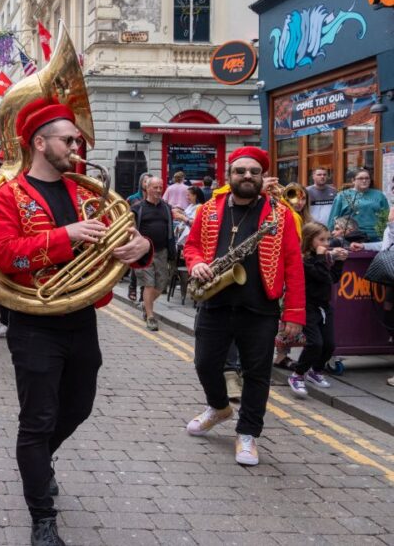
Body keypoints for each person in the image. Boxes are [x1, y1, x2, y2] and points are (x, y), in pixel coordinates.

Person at [0, 98, 152, 546]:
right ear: (41, 143)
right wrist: (65, 237)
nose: (77, 145)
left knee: (77, 407)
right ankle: (43, 517)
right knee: (36, 420)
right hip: (34, 322)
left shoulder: (89, 192)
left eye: (76, 139)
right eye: (68, 139)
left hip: (80, 317)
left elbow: (123, 236)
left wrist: (141, 248)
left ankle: (38, 461)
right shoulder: (10, 193)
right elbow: (2, 254)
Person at [183, 147, 304, 466]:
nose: (247, 176)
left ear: (263, 176)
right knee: (205, 364)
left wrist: (294, 313)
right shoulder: (209, 208)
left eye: (254, 171)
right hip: (216, 302)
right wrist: (196, 264)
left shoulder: (281, 215)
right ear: (229, 176)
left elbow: (293, 264)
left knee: (257, 374)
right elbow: (192, 246)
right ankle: (219, 407)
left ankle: (248, 433)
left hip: (259, 307)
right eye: (240, 171)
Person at [288, 221, 346, 398]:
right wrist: (323, 258)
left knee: (329, 345)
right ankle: (297, 375)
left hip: (324, 306)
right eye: (321, 239)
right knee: (315, 343)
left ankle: (316, 371)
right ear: (309, 240)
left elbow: (332, 278)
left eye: (328, 239)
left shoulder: (322, 258)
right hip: (309, 307)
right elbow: (321, 276)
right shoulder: (304, 261)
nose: (326, 244)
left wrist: (339, 262)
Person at [131, 176, 175, 331]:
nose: (158, 190)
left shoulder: (167, 208)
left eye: (160, 187)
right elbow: (131, 230)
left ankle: (145, 303)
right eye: (155, 187)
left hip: (162, 252)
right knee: (149, 284)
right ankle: (150, 316)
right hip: (144, 253)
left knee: (161, 285)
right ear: (147, 188)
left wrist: (172, 251)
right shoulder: (138, 208)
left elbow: (170, 230)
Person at [328, 168, 388, 242]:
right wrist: (330, 234)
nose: (364, 181)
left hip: (376, 236)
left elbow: (386, 216)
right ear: (353, 180)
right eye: (360, 178)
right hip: (351, 236)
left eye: (367, 178)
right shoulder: (343, 195)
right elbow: (334, 217)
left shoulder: (379, 195)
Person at [125, 172, 150, 302]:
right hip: (136, 233)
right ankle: (133, 287)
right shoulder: (132, 198)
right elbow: (125, 216)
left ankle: (143, 293)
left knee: (146, 265)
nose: (147, 183)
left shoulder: (154, 199)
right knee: (137, 264)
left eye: (149, 181)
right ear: (141, 183)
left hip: (148, 235)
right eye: (145, 181)